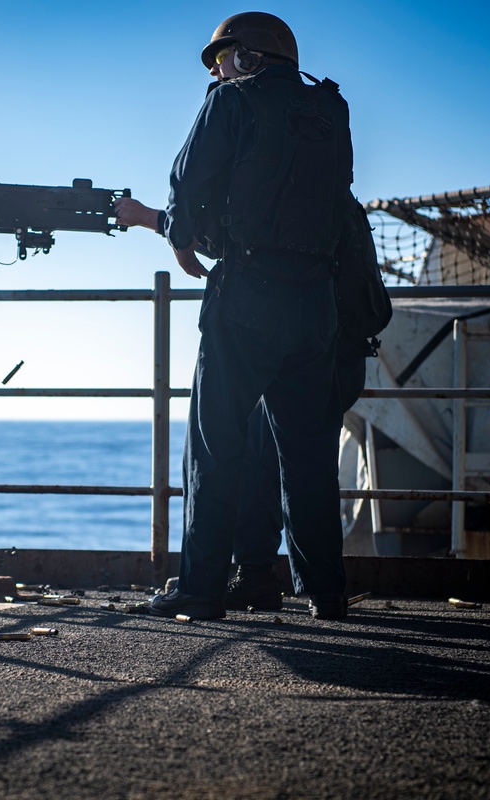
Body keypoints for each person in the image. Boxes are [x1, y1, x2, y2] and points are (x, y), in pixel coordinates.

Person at [114, 11, 354, 620]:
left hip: (248, 296)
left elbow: (187, 185)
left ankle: (199, 590)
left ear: (247, 58)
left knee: (216, 445)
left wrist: (176, 237)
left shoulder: (231, 102)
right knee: (307, 456)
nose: (216, 70)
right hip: (317, 305)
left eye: (222, 58)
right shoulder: (332, 110)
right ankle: (326, 593)